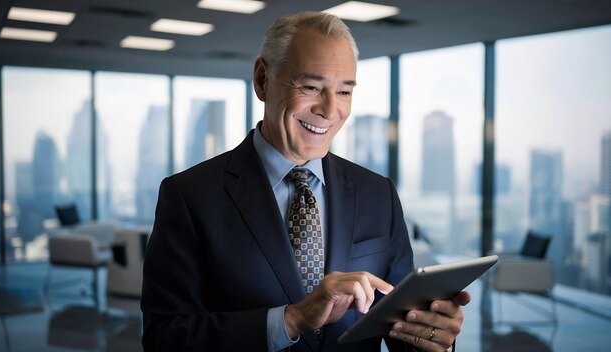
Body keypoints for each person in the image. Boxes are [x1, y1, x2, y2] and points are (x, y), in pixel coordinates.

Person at [141, 11, 470, 352]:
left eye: (344, 92)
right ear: (262, 79)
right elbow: (165, 337)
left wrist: (432, 337)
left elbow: (402, 328)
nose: (329, 110)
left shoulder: (378, 193)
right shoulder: (190, 196)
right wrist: (291, 320)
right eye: (311, 87)